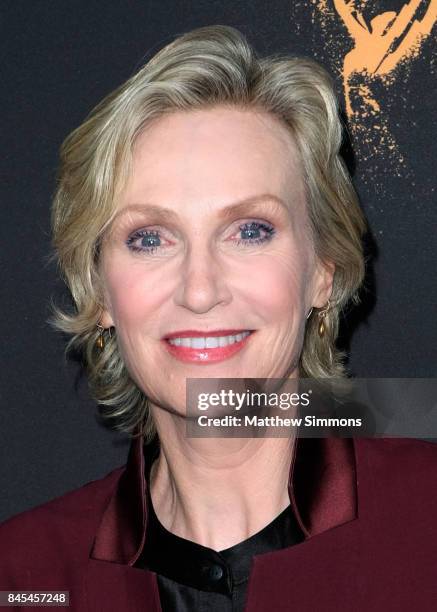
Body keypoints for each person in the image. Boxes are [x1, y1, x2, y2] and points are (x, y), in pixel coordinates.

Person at [1, 24, 437, 612]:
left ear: (323, 271)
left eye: (250, 231)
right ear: (99, 291)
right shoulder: (21, 573)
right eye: (149, 238)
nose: (200, 290)